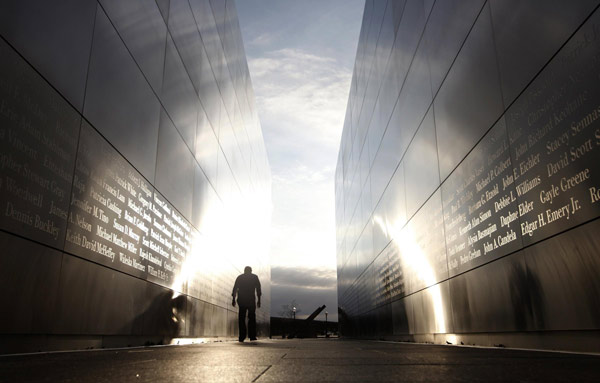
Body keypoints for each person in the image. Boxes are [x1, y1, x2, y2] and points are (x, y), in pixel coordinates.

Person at [232, 266, 261, 342]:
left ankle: (242, 336)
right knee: (251, 317)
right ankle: (252, 336)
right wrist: (259, 300)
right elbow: (258, 288)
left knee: (241, 318)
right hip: (251, 300)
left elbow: (235, 288)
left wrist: (233, 299)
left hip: (242, 300)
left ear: (244, 270)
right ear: (251, 271)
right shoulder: (254, 277)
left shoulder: (240, 277)